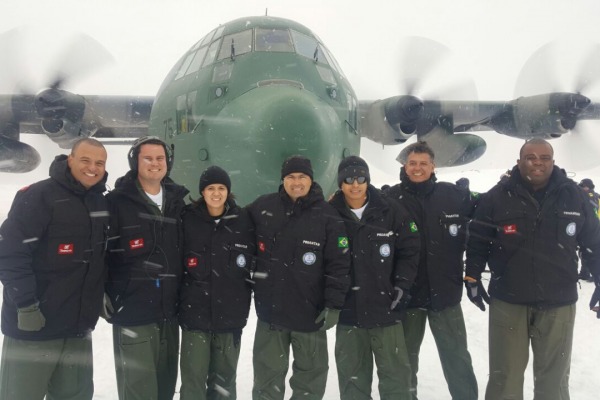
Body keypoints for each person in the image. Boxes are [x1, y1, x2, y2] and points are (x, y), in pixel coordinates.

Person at [465, 138, 600, 400]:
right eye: (531, 157)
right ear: (519, 161)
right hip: (509, 300)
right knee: (505, 377)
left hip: (558, 302)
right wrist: (472, 274)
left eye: (544, 157)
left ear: (552, 161)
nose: (537, 162)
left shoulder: (574, 196)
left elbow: (594, 242)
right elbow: (479, 240)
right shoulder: (497, 196)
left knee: (554, 380)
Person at [0, 138, 109, 400]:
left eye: (99, 163)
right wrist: (26, 305)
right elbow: (10, 252)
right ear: (70, 159)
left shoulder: (100, 204)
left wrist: (101, 293)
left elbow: (102, 259)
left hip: (77, 330)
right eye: (85, 160)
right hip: (35, 328)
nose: (92, 168)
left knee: (75, 396)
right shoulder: (39, 196)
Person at [246, 155, 351, 400]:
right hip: (271, 315)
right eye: (291, 177)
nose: (296, 182)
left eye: (302, 177)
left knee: (310, 383)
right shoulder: (263, 207)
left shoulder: (328, 215)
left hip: (310, 316)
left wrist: (334, 304)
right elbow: (235, 231)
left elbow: (339, 263)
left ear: (311, 180)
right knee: (266, 381)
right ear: (282, 180)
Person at [384, 141, 478, 400]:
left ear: (433, 166)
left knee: (457, 358)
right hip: (407, 295)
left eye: (423, 163)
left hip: (445, 295)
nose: (417, 168)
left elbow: (486, 217)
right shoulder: (391, 199)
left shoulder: (453, 196)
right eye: (412, 163)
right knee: (404, 362)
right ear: (405, 166)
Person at [329, 156, 420, 399]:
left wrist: (402, 284)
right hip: (349, 315)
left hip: (385, 311)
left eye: (361, 178)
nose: (355, 185)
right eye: (348, 179)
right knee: (353, 384)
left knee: (396, 382)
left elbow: (410, 249)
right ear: (340, 184)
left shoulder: (390, 210)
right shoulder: (328, 215)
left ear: (368, 180)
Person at [105, 136, 188, 400]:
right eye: (148, 158)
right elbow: (100, 254)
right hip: (133, 312)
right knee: (138, 390)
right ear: (135, 162)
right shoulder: (116, 202)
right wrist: (105, 294)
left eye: (160, 158)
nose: (155, 163)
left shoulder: (178, 202)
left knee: (165, 387)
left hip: (169, 313)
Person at [178, 166, 255, 399]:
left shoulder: (243, 221)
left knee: (224, 383)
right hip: (195, 318)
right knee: (193, 381)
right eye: (210, 188)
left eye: (221, 188)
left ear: (228, 192)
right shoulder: (187, 220)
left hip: (230, 319)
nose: (216, 193)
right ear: (202, 192)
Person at [577, 178, 600, 281]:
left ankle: (588, 273)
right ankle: (585, 272)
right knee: (589, 250)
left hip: (592, 227)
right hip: (595, 226)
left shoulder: (588, 196)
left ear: (588, 187)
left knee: (588, 250)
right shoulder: (596, 196)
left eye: (583, 186)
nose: (582, 188)